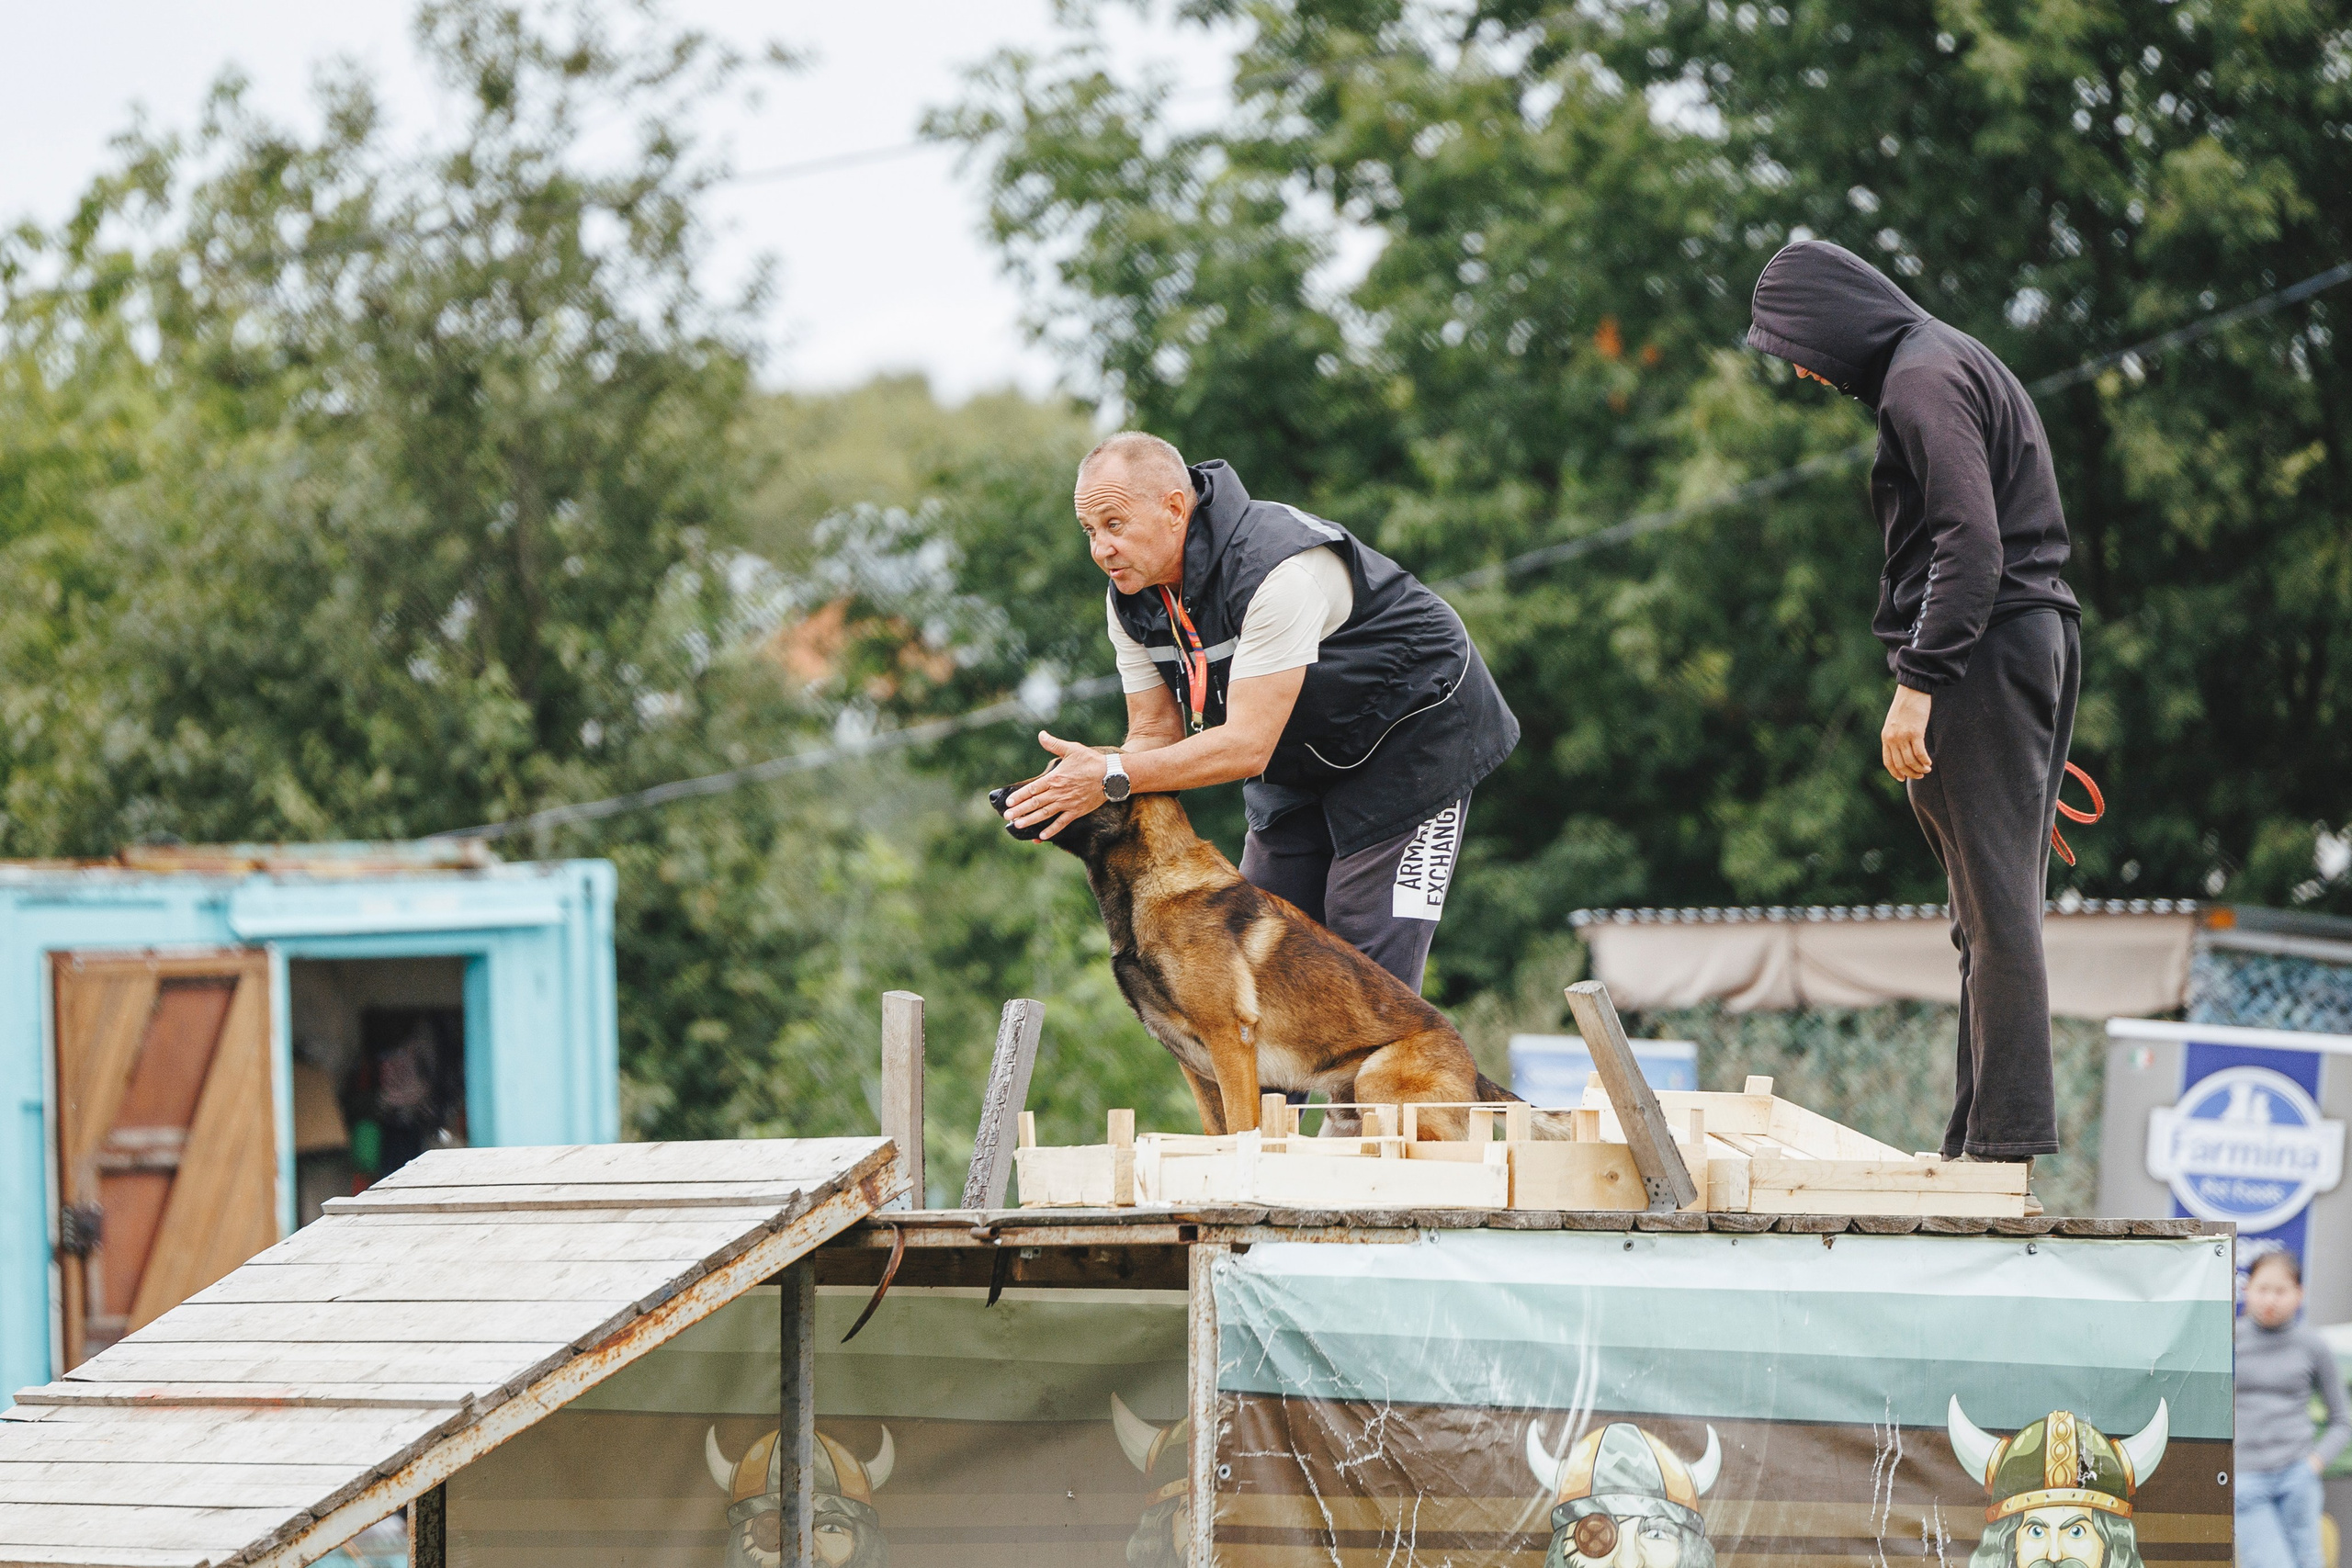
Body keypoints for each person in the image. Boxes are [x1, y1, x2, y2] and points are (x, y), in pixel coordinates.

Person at [1747, 240, 2082, 1208]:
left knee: (1997, 909)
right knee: (1987, 909)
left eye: (1799, 348)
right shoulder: (1950, 358)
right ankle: (1978, 1136)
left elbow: (1968, 540)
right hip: (2024, 637)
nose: (1805, 371)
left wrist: (1919, 678)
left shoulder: (1918, 380)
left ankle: (2003, 1147)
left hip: (1979, 649)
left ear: (1838, 321)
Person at [1002, 431, 1519, 996]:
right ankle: (1268, 1091)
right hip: (1301, 750)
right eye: (1090, 532)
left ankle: (1378, 1087)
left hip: (1415, 734)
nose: (1101, 550)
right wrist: (1077, 784)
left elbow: (1247, 744)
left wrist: (1111, 776)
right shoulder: (1131, 599)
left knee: (1361, 966)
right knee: (1256, 953)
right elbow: (1154, 733)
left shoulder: (1277, 570)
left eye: (1115, 525)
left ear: (1175, 509)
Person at [2236, 1248, 2350, 1568]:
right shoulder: (2229, 1339)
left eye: (2281, 1290)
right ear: (2247, 1290)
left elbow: (2343, 1420)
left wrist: (2313, 1464)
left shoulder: (2312, 1344)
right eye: (2262, 1289)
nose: (2270, 1299)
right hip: (2245, 1479)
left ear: (2299, 1294)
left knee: (2308, 1561)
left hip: (2298, 1478)